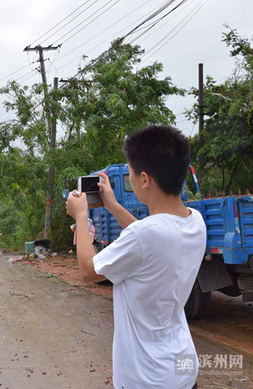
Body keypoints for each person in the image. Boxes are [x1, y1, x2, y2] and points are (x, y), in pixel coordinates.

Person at [66, 125, 206, 389]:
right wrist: (114, 205)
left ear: (144, 179)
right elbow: (149, 237)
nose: (130, 180)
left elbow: (88, 270)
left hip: (147, 378)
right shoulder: (195, 222)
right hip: (182, 369)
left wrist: (81, 216)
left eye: (130, 174)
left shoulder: (145, 235)